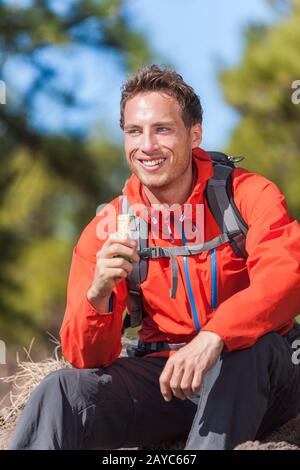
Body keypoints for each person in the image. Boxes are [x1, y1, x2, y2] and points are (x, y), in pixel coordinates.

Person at [8, 65, 300, 450]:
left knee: (243, 353)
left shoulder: (247, 194)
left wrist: (216, 334)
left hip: (263, 374)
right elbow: (86, 358)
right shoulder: (108, 226)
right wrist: (97, 297)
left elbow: (287, 279)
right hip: (167, 380)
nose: (147, 145)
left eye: (162, 129)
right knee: (60, 390)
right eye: (134, 131)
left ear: (194, 134)